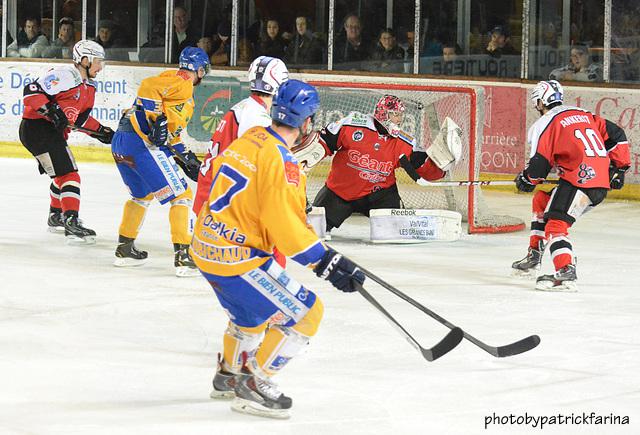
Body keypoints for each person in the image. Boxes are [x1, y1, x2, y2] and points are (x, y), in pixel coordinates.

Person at [191, 79, 365, 418]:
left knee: (249, 316)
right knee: (308, 312)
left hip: (206, 245)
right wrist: (325, 261)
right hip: (237, 258)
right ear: (307, 122)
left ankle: (228, 375)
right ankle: (254, 381)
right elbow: (284, 226)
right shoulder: (283, 162)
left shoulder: (250, 138)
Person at [512, 80, 630, 291]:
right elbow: (617, 135)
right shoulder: (583, 114)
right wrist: (619, 169)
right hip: (595, 182)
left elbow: (540, 163)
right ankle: (534, 255)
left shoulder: (545, 123)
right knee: (542, 200)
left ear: (540, 102)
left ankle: (565, 271)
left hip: (579, 182)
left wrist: (527, 179)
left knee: (556, 225)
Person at [110, 47, 210, 277]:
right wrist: (157, 119)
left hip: (122, 142)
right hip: (140, 144)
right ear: (200, 70)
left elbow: (169, 134)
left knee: (142, 195)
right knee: (182, 196)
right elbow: (147, 87)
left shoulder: (173, 85)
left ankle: (125, 249)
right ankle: (184, 257)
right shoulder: (183, 82)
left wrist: (187, 158)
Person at [302, 95, 459, 232]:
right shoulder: (353, 124)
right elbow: (324, 142)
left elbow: (424, 168)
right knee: (313, 229)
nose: (399, 119)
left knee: (395, 231)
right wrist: (305, 158)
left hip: (380, 196)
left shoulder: (404, 142)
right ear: (383, 113)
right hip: (339, 192)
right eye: (395, 114)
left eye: (400, 115)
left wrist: (442, 166)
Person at [194, 56, 289, 266]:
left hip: (213, 194)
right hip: (222, 201)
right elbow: (259, 165)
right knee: (271, 246)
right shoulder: (257, 118)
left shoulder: (245, 108)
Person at [19, 40, 114, 244]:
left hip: (49, 132)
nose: (100, 67)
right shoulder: (66, 75)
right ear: (85, 60)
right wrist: (50, 110)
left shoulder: (89, 87)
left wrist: (100, 131)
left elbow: (79, 120)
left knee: (61, 175)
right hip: (37, 128)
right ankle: (71, 221)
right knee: (69, 174)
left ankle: (56, 216)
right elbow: (31, 91)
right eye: (98, 61)